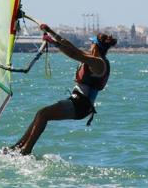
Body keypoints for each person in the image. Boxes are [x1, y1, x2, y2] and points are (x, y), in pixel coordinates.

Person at [10, 23, 117, 155]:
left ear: (95, 45)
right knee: (40, 114)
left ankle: (25, 151)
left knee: (43, 115)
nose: (89, 45)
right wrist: (50, 31)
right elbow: (70, 46)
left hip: (81, 105)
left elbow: (74, 54)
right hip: (77, 102)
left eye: (91, 43)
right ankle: (17, 147)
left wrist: (54, 43)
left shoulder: (98, 63)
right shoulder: (92, 58)